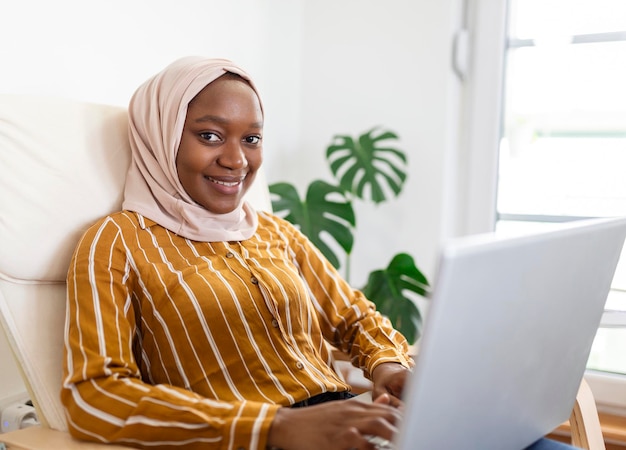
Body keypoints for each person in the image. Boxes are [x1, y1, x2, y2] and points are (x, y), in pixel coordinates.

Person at [61, 56, 579, 450]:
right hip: (261, 439)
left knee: (530, 443)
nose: (236, 160)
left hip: (352, 424)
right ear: (162, 137)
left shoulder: (274, 234)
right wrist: (276, 426)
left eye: (253, 138)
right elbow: (93, 396)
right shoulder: (116, 242)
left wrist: (389, 369)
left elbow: (355, 317)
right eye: (210, 135)